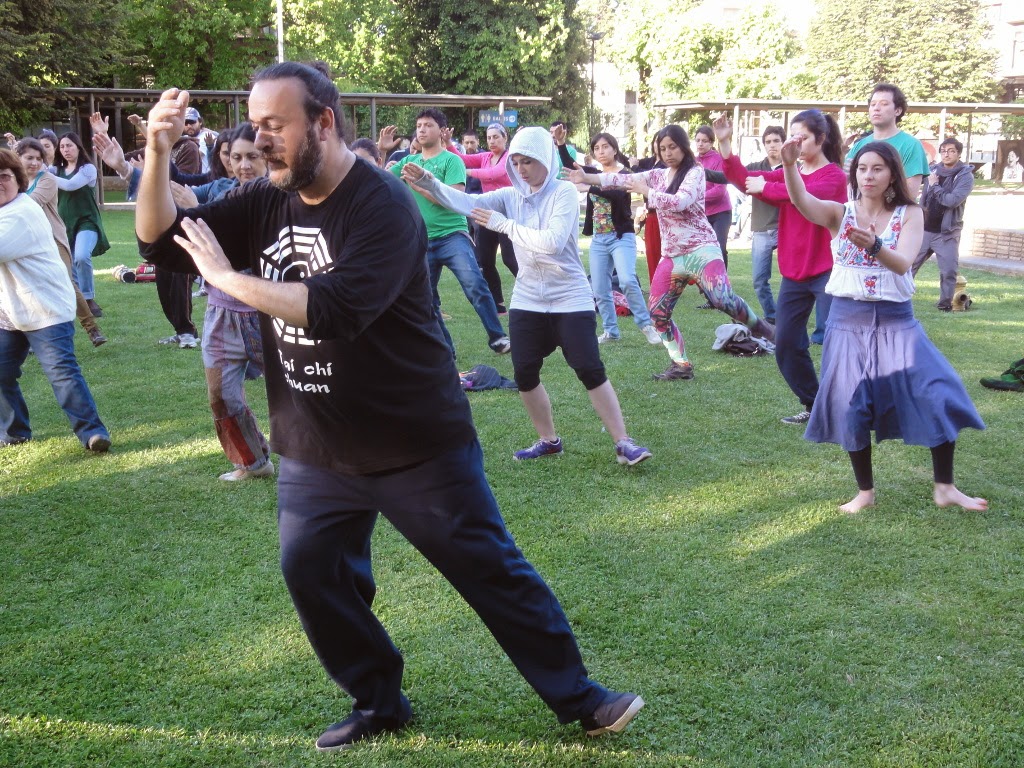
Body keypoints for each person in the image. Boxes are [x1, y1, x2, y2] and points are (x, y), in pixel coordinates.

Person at [134, 63, 644, 750]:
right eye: (256, 127)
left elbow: (336, 310)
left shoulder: (381, 206)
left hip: (414, 438)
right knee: (312, 570)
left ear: (323, 121)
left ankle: (582, 698)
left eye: (276, 125)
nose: (263, 140)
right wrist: (158, 154)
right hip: (317, 441)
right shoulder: (264, 199)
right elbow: (159, 241)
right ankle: (379, 700)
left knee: (486, 567)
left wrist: (230, 279)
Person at [404, 126, 653, 464]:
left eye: (529, 162)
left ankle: (624, 442)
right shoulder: (510, 195)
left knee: (588, 368)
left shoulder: (564, 192)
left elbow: (550, 242)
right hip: (528, 298)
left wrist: (503, 225)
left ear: (546, 160)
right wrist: (429, 183)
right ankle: (548, 440)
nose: (521, 169)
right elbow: (469, 202)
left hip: (570, 296)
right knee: (524, 372)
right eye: (517, 162)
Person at [780, 139, 986, 513]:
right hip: (847, 320)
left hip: (897, 321)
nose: (868, 175)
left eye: (877, 168)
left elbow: (904, 262)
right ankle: (865, 493)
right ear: (854, 174)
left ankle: (945, 487)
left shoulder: (909, 213)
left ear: (892, 172)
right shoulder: (839, 213)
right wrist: (790, 166)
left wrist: (875, 245)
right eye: (862, 168)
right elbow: (802, 202)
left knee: (938, 391)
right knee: (850, 405)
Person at [569, 125, 773, 381]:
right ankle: (681, 365)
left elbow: (681, 201)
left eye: (672, 147)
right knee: (658, 314)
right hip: (673, 256)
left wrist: (647, 193)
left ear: (683, 146)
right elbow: (621, 179)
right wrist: (588, 178)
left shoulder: (696, 172)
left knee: (722, 298)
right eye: (662, 148)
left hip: (701, 249)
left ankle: (762, 328)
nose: (667, 153)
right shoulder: (658, 175)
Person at [717, 110, 848, 424]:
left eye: (801, 136)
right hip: (794, 273)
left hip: (829, 270)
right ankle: (815, 404)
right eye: (793, 135)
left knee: (837, 342)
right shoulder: (792, 172)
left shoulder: (834, 176)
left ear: (821, 138)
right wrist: (725, 144)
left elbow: (802, 196)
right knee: (786, 345)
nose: (795, 142)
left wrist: (768, 187)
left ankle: (847, 408)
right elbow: (744, 181)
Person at [0, 149, 111, 451]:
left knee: (61, 373)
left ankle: (93, 433)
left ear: (18, 181)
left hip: (45, 308)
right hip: (11, 311)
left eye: (4, 177)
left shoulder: (22, 212)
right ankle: (14, 432)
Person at [391, 109, 510, 358]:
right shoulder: (408, 163)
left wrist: (420, 184)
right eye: (419, 125)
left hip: (452, 235)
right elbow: (376, 178)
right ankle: (447, 351)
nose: (422, 129)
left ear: (441, 131)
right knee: (427, 299)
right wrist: (382, 153)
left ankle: (497, 337)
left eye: (428, 125)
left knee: (474, 284)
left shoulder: (451, 161)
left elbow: (453, 199)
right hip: (422, 240)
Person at [559, 133, 660, 345]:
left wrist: (590, 187)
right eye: (596, 148)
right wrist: (561, 144)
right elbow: (571, 165)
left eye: (605, 147)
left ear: (614, 149)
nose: (601, 151)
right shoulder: (593, 172)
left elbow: (616, 195)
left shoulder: (626, 174)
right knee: (599, 288)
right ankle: (611, 331)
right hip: (599, 239)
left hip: (621, 236)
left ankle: (646, 325)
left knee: (627, 280)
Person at [16, 138, 106, 347]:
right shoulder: (15, 182)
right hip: (25, 243)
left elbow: (32, 203)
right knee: (27, 287)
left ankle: (92, 328)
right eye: (29, 158)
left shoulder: (46, 179)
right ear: (18, 158)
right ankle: (29, 335)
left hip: (52, 241)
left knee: (66, 283)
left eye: (38, 158)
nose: (34, 163)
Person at [448, 123, 517, 313]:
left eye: (496, 137)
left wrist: (466, 172)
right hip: (487, 215)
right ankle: (498, 304)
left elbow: (493, 174)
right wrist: (447, 143)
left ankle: (534, 293)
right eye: (489, 137)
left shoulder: (509, 158)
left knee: (510, 259)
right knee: (485, 260)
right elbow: (462, 159)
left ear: (505, 138)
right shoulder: (486, 156)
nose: (492, 141)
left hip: (507, 215)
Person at [910, 138, 974, 312]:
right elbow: (922, 196)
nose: (946, 154)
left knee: (948, 271)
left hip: (947, 232)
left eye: (951, 151)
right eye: (943, 150)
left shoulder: (964, 176)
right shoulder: (932, 171)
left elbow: (952, 201)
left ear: (959, 153)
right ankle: (899, 298)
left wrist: (935, 185)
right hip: (925, 229)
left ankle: (945, 304)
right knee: (909, 265)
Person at [53, 132, 110, 319]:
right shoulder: (55, 170)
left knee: (81, 256)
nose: (65, 150)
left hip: (87, 221)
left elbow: (70, 185)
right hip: (64, 224)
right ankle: (78, 301)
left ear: (78, 147)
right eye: (62, 147)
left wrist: (43, 174)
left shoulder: (88, 169)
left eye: (69, 145)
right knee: (69, 263)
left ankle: (88, 297)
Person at [847, 83, 929, 199]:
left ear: (898, 110)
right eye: (873, 104)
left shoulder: (911, 145)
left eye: (884, 104)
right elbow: (847, 183)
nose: (876, 108)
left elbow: (910, 194)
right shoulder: (859, 145)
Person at [745, 126, 786, 324]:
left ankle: (790, 317)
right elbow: (730, 175)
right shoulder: (755, 168)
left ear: (783, 143)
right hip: (761, 229)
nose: (772, 145)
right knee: (759, 280)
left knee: (793, 280)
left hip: (787, 229)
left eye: (776, 140)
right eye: (768, 141)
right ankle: (772, 316)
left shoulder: (793, 168)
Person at [692, 125, 732, 270]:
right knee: (703, 250)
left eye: (704, 141)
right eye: (698, 140)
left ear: (711, 143)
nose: (700, 144)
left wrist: (697, 197)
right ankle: (707, 283)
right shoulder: (692, 161)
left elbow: (719, 191)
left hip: (721, 212)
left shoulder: (718, 159)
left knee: (719, 249)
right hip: (701, 214)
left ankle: (722, 282)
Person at [183, 107, 218, 174]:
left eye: (192, 122)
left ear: (200, 122)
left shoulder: (206, 136)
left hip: (206, 181)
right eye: (186, 123)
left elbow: (191, 158)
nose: (189, 126)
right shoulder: (186, 138)